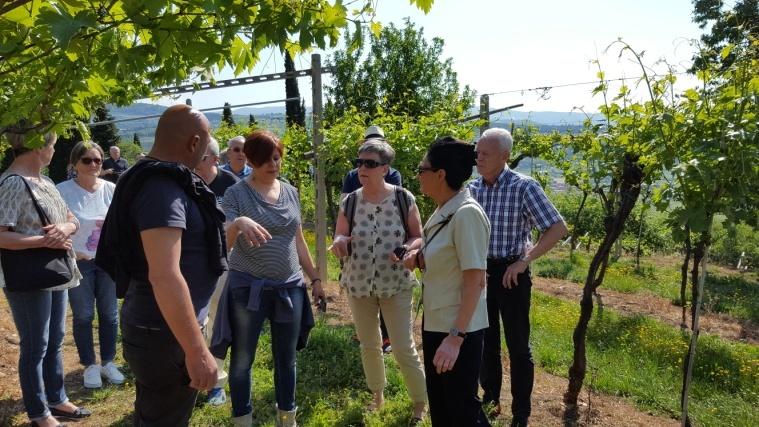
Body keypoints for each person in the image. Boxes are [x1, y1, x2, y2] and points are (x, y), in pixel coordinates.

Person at [95, 104, 226, 426]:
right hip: (164, 335)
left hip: (161, 329)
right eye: (207, 141)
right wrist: (196, 351)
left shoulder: (160, 181)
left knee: (157, 415)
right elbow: (165, 274)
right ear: (194, 143)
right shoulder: (161, 190)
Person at [210, 130, 324, 427]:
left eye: (276, 158)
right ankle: (242, 419)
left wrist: (315, 279)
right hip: (248, 287)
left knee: (286, 358)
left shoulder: (290, 192)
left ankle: (288, 418)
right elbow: (226, 244)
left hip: (289, 287)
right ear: (250, 160)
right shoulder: (236, 194)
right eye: (264, 160)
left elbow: (297, 240)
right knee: (243, 358)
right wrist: (237, 222)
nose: (272, 165)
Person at [469, 128, 567, 427]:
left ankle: (521, 413)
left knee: (518, 346)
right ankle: (491, 399)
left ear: (505, 156)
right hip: (481, 272)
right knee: (486, 340)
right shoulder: (473, 189)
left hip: (511, 272)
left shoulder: (523, 187)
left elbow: (557, 228)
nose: (479, 158)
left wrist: (524, 261)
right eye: (477, 152)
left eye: (485, 153)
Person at [331, 139, 427, 424]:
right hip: (359, 282)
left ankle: (420, 404)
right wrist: (339, 242)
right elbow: (340, 233)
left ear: (385, 168)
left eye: (370, 163)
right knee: (369, 344)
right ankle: (377, 396)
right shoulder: (349, 201)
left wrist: (408, 249)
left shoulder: (403, 198)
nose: (362, 168)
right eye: (359, 162)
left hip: (394, 281)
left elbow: (417, 235)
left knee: (402, 346)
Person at [0, 130, 92, 427]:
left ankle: (57, 398)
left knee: (54, 341)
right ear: (39, 146)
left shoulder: (46, 181)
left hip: (55, 271)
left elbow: (71, 220)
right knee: (35, 345)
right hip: (30, 276)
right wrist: (43, 240)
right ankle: (39, 412)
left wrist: (66, 229)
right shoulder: (13, 183)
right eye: (52, 145)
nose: (54, 151)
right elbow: (2, 235)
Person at [403, 137, 491, 426]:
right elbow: (448, 258)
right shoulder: (445, 210)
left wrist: (455, 339)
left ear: (440, 174)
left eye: (422, 169)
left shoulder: (466, 215)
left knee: (462, 411)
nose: (418, 175)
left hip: (457, 330)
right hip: (438, 322)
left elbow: (475, 281)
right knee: (443, 408)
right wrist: (419, 256)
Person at [56, 141, 124, 390]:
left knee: (109, 314)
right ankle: (90, 365)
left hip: (107, 262)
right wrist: (72, 252)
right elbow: (54, 224)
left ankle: (108, 362)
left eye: (98, 160)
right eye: (87, 160)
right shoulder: (61, 191)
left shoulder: (111, 189)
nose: (94, 165)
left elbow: (120, 225)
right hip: (78, 262)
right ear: (74, 164)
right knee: (84, 315)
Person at [340, 125, 400, 354]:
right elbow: (344, 206)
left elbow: (395, 206)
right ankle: (367, 332)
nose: (363, 167)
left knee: (385, 289)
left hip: (385, 244)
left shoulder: (393, 176)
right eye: (360, 162)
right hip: (358, 243)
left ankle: (385, 337)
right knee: (362, 290)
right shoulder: (352, 175)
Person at [194, 136, 239, 405]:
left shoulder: (230, 185)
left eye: (200, 157)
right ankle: (196, 375)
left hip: (225, 260)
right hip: (192, 262)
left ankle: (216, 383)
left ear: (213, 159)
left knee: (218, 320)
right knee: (197, 321)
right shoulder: (186, 182)